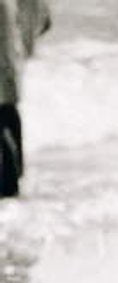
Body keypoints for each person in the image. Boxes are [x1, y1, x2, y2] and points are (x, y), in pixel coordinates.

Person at [0, 0, 50, 196]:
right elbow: (44, 20)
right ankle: (14, 182)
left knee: (4, 115)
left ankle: (10, 186)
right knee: (7, 112)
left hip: (7, 53)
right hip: (10, 55)